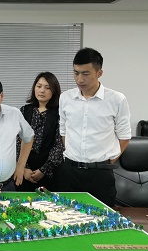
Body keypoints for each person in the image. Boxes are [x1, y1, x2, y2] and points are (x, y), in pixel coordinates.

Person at [56, 47, 131, 207]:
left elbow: (124, 137)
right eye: (76, 73)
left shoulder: (117, 99)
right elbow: (64, 132)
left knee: (103, 218)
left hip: (100, 174)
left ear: (99, 73)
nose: (80, 79)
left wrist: (106, 162)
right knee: (66, 217)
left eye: (85, 73)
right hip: (70, 171)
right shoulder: (65, 98)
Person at [16, 72, 64, 192]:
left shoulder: (59, 113)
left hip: (49, 171)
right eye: (39, 86)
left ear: (54, 91)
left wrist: (43, 170)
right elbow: (17, 140)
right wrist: (23, 167)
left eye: (47, 88)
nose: (42, 90)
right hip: (24, 170)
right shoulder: (24, 111)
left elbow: (59, 145)